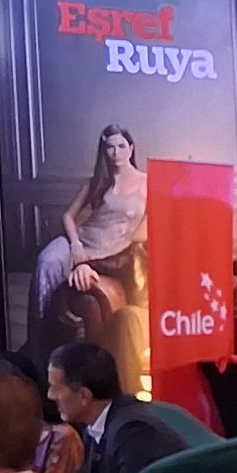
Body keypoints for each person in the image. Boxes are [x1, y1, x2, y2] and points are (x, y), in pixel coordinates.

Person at [49, 341, 192, 473]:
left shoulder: (133, 433)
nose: (50, 396)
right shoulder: (95, 426)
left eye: (55, 388)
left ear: (84, 396)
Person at [34, 125, 148, 372]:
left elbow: (142, 235)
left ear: (131, 149)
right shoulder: (97, 182)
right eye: (110, 147)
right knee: (47, 261)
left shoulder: (147, 183)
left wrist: (89, 264)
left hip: (108, 253)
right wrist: (75, 246)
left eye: (121, 146)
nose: (116, 153)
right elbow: (68, 216)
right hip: (78, 242)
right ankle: (38, 342)